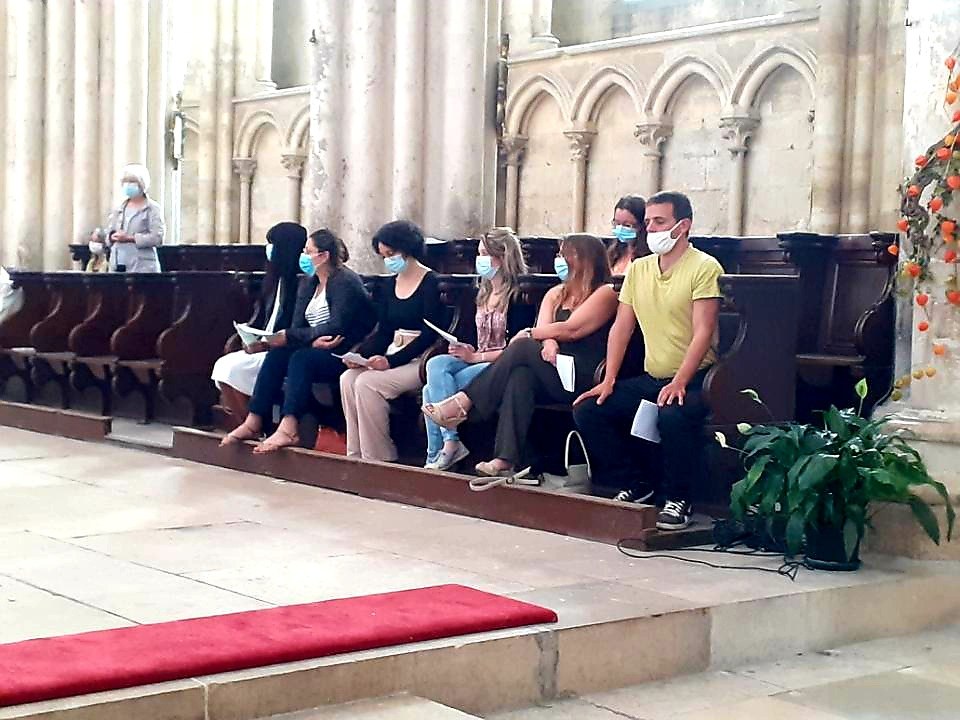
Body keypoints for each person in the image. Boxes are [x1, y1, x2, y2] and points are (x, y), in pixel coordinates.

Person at [573, 191, 723, 531]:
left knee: (673, 414)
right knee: (591, 408)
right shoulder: (639, 269)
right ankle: (635, 483)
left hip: (696, 377)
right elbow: (621, 329)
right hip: (652, 377)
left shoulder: (704, 267)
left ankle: (678, 499)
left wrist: (680, 381)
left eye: (660, 221)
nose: (651, 229)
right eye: (648, 222)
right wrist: (608, 379)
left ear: (683, 226)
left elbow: (703, 331)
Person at [423, 234, 618, 477]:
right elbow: (546, 328)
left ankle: (463, 403)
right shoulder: (556, 293)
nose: (558, 260)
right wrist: (548, 343)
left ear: (582, 259)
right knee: (520, 377)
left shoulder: (606, 293)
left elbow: (572, 329)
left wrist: (530, 333)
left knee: (523, 345)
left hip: (581, 373)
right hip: (551, 366)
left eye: (563, 254)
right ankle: (504, 460)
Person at [221, 229, 375, 453]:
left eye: (308, 252)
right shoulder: (309, 283)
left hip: (343, 351)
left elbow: (336, 327)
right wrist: (301, 340)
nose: (303, 256)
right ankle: (253, 421)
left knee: (301, 359)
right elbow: (298, 325)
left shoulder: (345, 281)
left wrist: (295, 338)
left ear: (324, 256)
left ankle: (289, 427)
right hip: (316, 347)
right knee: (278, 355)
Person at [421, 228, 528, 471]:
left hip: (500, 364)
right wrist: (463, 346)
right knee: (436, 364)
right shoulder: (480, 291)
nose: (480, 260)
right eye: (479, 254)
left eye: (485, 254)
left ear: (502, 257)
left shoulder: (520, 295)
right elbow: (470, 333)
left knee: (429, 390)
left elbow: (518, 347)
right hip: (476, 355)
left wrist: (476, 356)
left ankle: (440, 451)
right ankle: (450, 442)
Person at [340, 220, 442, 462]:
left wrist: (391, 361)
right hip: (393, 351)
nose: (388, 260)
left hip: (420, 359)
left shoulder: (432, 283)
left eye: (391, 254)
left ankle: (378, 456)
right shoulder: (388, 285)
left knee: (367, 383)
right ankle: (355, 453)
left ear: (408, 249)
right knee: (348, 378)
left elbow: (430, 334)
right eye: (383, 256)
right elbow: (384, 331)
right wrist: (361, 355)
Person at [211, 222, 306, 422]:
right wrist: (249, 338)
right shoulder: (273, 280)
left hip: (282, 350)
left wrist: (266, 345)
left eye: (272, 244)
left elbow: (297, 328)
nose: (269, 249)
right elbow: (263, 319)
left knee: (233, 369)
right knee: (222, 366)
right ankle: (247, 423)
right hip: (264, 346)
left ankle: (254, 424)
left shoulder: (301, 283)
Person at [89, 164, 165, 272]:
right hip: (117, 264)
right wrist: (110, 237)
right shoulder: (119, 208)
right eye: (125, 182)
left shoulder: (152, 209)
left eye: (131, 182)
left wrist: (130, 238)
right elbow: (109, 233)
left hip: (143, 266)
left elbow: (157, 238)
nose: (128, 185)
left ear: (141, 184)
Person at [607, 194, 647, 276]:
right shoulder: (612, 252)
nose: (620, 228)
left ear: (641, 225)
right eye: (617, 223)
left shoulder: (647, 258)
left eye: (627, 225)